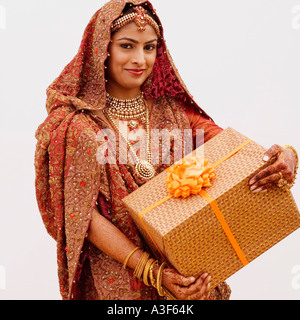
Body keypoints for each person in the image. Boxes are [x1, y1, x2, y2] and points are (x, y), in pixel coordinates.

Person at [34, 0, 298, 300]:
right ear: (101, 50)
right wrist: (153, 272)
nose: (140, 59)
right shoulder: (77, 127)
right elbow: (84, 218)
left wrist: (283, 155)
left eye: (149, 47)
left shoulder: (172, 111)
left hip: (190, 276)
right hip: (122, 285)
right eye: (127, 46)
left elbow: (232, 151)